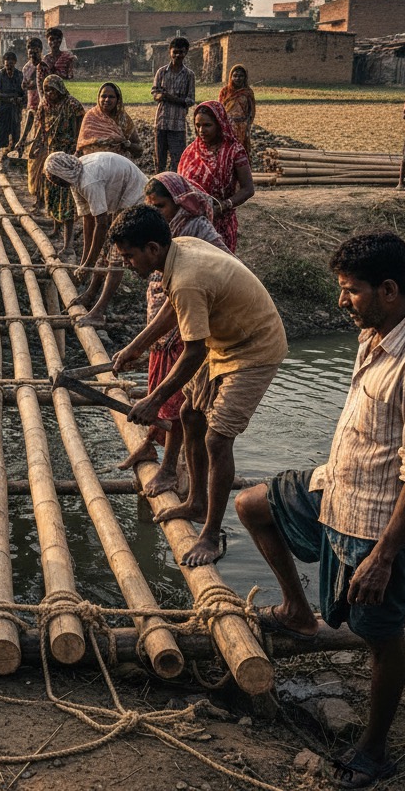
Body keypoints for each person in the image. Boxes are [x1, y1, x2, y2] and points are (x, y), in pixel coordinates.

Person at [235, 233, 405, 790]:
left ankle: (374, 749)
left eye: (350, 291)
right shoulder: (374, 334)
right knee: (252, 505)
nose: (342, 301)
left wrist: (383, 556)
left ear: (388, 290)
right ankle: (298, 612)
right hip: (336, 488)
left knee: (380, 636)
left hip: (381, 523)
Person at [110, 205, 287, 567]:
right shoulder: (180, 249)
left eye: (129, 256)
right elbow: (174, 308)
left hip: (255, 348)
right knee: (190, 413)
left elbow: (192, 353)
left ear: (153, 249)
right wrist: (136, 346)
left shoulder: (188, 276)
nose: (127, 263)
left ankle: (210, 534)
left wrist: (153, 399)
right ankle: (197, 502)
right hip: (228, 340)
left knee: (218, 438)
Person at [117, 174, 229, 487]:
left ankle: (171, 469)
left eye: (162, 206)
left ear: (179, 203)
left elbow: (189, 300)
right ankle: (152, 446)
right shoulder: (165, 243)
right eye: (151, 205)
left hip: (195, 320)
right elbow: (169, 304)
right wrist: (137, 345)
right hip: (171, 320)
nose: (157, 212)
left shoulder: (192, 236)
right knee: (160, 386)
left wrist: (140, 344)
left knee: (179, 398)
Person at [43, 151, 146, 327]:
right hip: (121, 198)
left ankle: (98, 312)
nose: (53, 183)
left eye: (53, 178)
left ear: (61, 175)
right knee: (104, 251)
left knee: (115, 254)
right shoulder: (74, 177)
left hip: (136, 196)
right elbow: (88, 220)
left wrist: (89, 264)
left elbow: (101, 223)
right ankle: (91, 294)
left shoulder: (89, 180)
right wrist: (84, 263)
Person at [177, 100, 254, 253]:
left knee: (219, 270)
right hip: (192, 223)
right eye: (198, 125)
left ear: (219, 125)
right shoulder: (191, 151)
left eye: (207, 125)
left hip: (221, 223)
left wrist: (224, 205)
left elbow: (248, 189)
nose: (201, 130)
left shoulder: (234, 151)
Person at [33, 75, 85, 258]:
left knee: (67, 198)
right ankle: (56, 228)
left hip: (67, 156)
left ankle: (68, 243)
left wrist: (78, 149)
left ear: (60, 89)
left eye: (52, 89)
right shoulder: (44, 105)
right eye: (46, 90)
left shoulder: (72, 105)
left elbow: (81, 127)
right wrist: (36, 144)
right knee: (52, 193)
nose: (49, 93)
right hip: (51, 155)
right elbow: (41, 127)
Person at [151, 37, 195, 172]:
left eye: (181, 52)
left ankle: (174, 188)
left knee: (178, 161)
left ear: (186, 52)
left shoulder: (189, 75)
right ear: (169, 52)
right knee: (160, 161)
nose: (177, 55)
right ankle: (160, 189)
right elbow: (154, 92)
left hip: (178, 125)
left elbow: (190, 100)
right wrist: (160, 96)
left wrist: (170, 98)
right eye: (175, 52)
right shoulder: (162, 72)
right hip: (161, 123)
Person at [77, 82, 142, 159]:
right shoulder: (91, 117)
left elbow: (139, 149)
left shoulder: (123, 118)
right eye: (103, 96)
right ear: (98, 98)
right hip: (93, 164)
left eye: (111, 97)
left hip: (118, 164)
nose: (107, 100)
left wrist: (127, 144)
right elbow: (81, 146)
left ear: (118, 99)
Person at [17, 37, 46, 210]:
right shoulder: (27, 68)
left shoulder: (45, 67)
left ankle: (41, 199)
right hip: (32, 109)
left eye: (36, 50)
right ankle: (37, 196)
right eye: (30, 51)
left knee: (41, 158)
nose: (33, 53)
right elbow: (26, 88)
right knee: (34, 158)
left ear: (40, 50)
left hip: (45, 113)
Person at [0, 51, 26, 170]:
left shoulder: (19, 75)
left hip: (15, 110)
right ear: (4, 63)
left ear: (15, 63)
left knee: (16, 135)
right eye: (7, 62)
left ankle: (15, 160)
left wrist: (20, 100)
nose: (9, 65)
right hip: (2, 109)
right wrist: (7, 98)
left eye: (11, 62)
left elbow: (24, 93)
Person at [217, 64, 256, 160]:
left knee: (240, 151)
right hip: (228, 126)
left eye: (241, 76)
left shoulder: (248, 92)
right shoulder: (225, 91)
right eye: (235, 76)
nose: (238, 78)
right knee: (227, 150)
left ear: (245, 77)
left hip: (242, 127)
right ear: (231, 77)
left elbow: (251, 111)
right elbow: (220, 108)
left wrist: (247, 125)